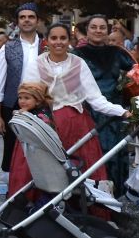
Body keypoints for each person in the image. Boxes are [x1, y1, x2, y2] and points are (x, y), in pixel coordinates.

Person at [36, 22, 126, 183]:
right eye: (54, 38)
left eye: (63, 38)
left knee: (81, 172)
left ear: (69, 40)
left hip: (76, 128)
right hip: (46, 126)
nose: (58, 42)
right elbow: (28, 94)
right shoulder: (37, 64)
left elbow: (95, 98)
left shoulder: (78, 63)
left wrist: (121, 111)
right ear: (47, 41)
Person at [0, 3, 43, 174]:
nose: (27, 20)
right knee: (12, 152)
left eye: (31, 17)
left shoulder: (47, 47)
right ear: (17, 22)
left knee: (41, 153)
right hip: (13, 106)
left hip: (42, 107)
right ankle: (12, 193)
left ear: (37, 21)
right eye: (23, 17)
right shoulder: (8, 47)